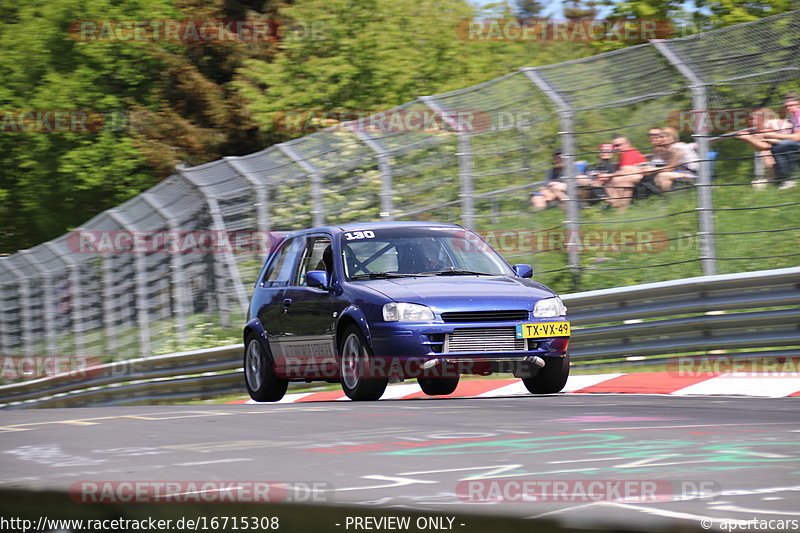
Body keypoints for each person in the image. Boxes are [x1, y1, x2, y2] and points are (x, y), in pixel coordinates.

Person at [734, 107, 791, 189]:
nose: (751, 122)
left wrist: (748, 138)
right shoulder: (762, 130)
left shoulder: (771, 126)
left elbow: (766, 146)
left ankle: (775, 179)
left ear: (761, 118)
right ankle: (770, 178)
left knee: (765, 152)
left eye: (753, 119)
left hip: (786, 156)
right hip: (779, 160)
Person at [762, 93, 800, 189]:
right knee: (778, 145)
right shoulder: (792, 117)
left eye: (791, 105)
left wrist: (775, 136)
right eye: (786, 106)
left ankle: (787, 179)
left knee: (781, 146)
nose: (788, 108)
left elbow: (797, 138)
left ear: (798, 104)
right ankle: (784, 178)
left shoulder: (798, 114)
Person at [606, 134, 648, 208]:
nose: (616, 148)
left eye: (618, 145)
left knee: (619, 179)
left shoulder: (629, 152)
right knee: (610, 181)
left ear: (628, 143)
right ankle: (616, 204)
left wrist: (609, 175)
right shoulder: (621, 156)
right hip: (633, 176)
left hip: (641, 176)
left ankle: (622, 207)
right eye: (614, 146)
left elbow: (626, 170)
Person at [654, 127, 700, 191]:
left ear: (673, 137)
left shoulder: (677, 148)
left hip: (694, 174)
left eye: (665, 136)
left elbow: (670, 168)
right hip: (686, 172)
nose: (662, 139)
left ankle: (668, 198)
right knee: (659, 177)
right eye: (661, 137)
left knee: (663, 176)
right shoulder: (670, 149)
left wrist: (652, 170)